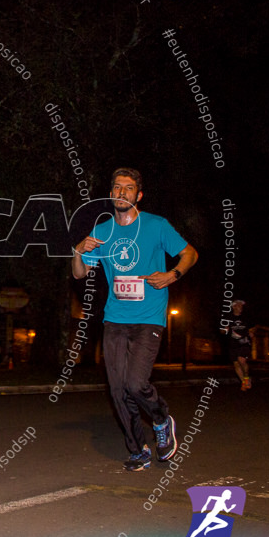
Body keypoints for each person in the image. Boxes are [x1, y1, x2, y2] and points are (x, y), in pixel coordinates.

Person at [72, 167, 198, 472]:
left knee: (135, 383)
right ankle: (138, 448)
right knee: (117, 388)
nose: (121, 193)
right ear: (111, 194)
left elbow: (190, 254)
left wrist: (171, 275)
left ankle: (160, 418)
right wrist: (78, 250)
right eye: (116, 188)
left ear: (138, 195)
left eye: (128, 188)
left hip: (149, 319)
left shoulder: (156, 226)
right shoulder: (102, 232)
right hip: (114, 318)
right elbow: (79, 273)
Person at [220, 299, 252, 390]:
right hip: (233, 343)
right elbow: (222, 331)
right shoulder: (227, 318)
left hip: (244, 342)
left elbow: (253, 327)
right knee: (236, 364)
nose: (241, 307)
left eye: (241, 306)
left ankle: (246, 378)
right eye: (238, 305)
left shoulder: (245, 317)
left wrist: (251, 332)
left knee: (241, 360)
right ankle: (244, 382)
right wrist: (225, 329)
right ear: (233, 307)